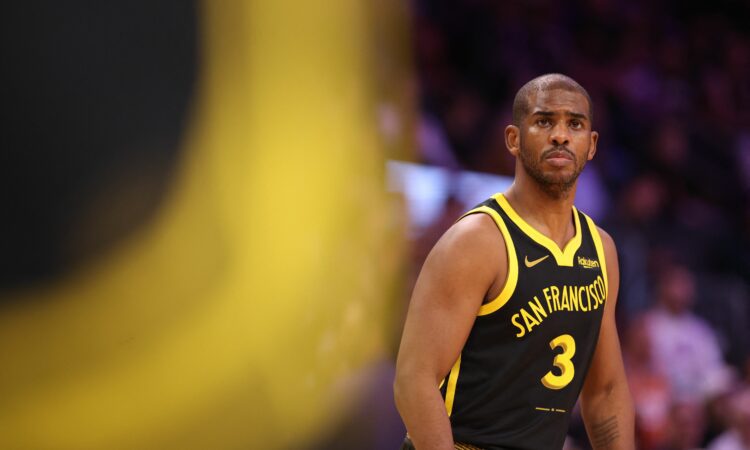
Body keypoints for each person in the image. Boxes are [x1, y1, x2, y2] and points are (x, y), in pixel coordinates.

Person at [393, 74, 635, 449]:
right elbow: (414, 380)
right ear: (513, 139)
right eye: (544, 121)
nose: (560, 135)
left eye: (574, 124)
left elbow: (604, 392)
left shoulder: (601, 250)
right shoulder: (477, 240)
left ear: (591, 145)